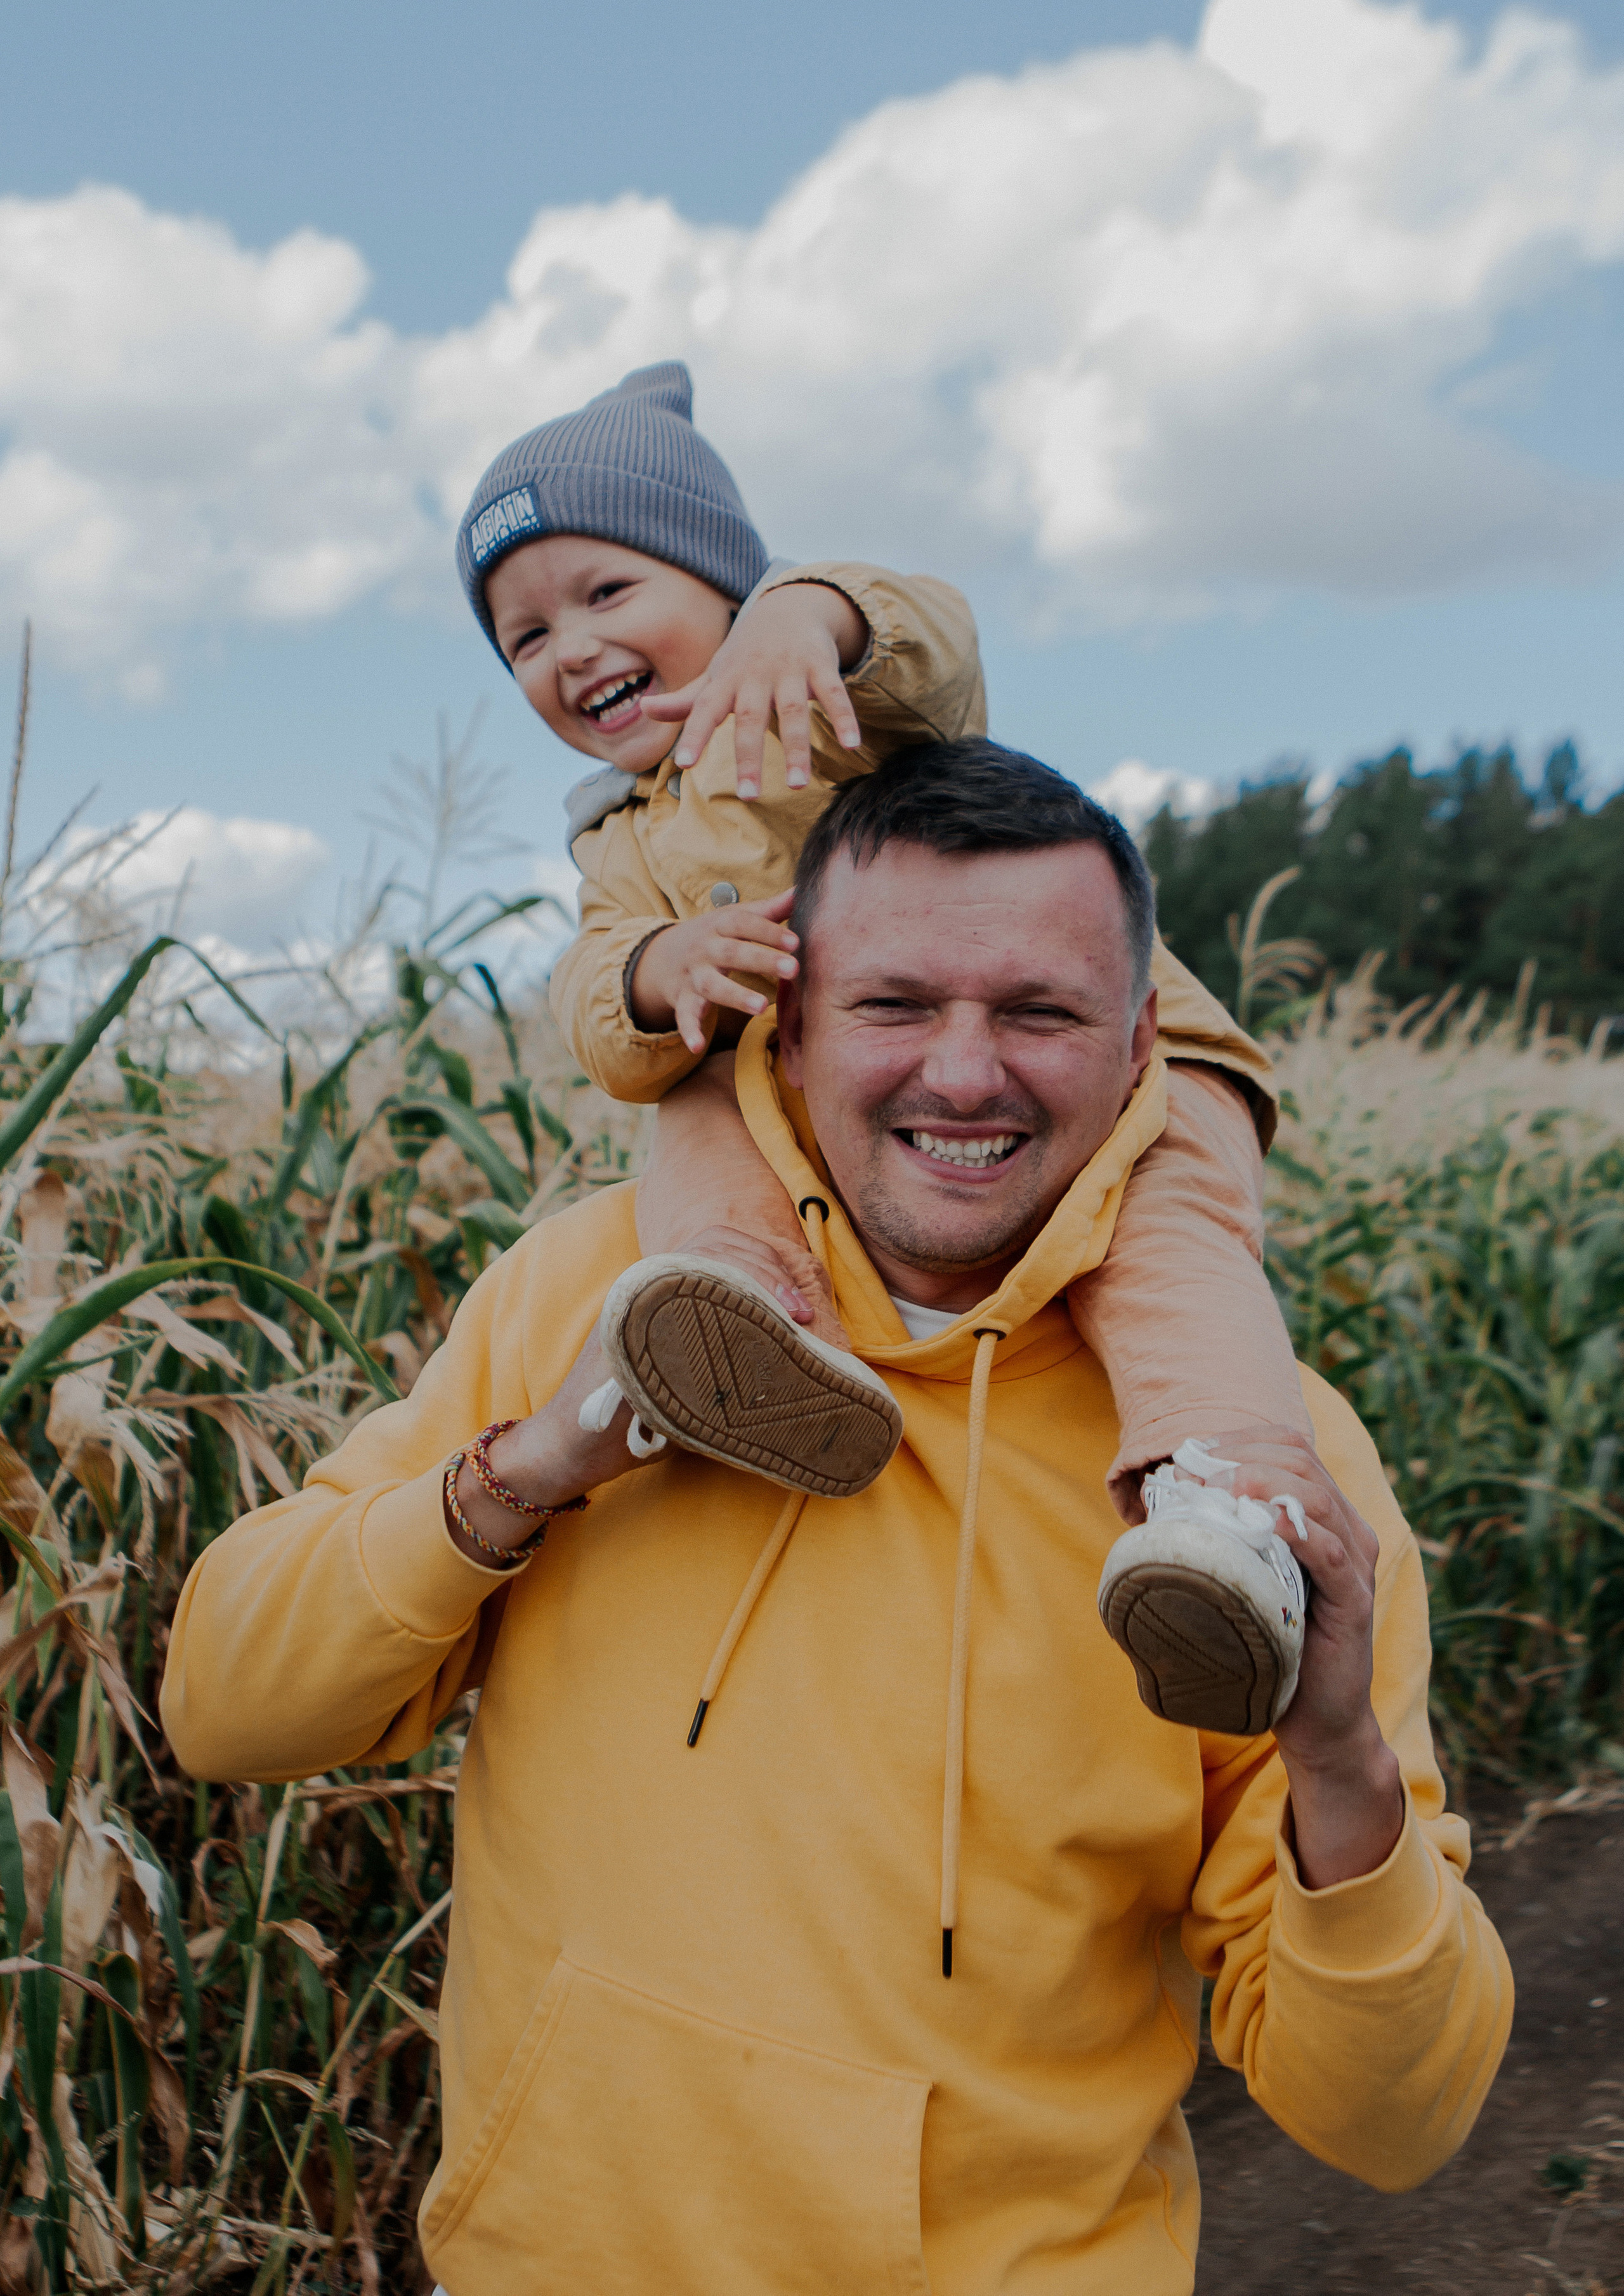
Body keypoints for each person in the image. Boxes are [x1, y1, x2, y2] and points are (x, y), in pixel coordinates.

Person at [161, 741, 1512, 2296]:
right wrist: (526, 1467)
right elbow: (220, 1705)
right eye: (895, 1004)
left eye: (1037, 1012)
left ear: (1141, 1044)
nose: (960, 1072)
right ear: (789, 1026)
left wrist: (1335, 1755)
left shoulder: (1250, 1467)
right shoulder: (587, 1294)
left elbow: (1394, 2121)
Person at [454, 360, 1316, 1737]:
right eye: (521, 635)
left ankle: (1228, 1520)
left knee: (1166, 1254)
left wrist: (812, 615)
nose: (566, 648)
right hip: (824, 1087)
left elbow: (939, 648)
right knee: (689, 1092)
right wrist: (650, 968)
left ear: (723, 585)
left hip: (1108, 1071)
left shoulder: (824, 693)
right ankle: (738, 1319)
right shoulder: (622, 845)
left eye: (607, 594)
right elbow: (595, 1017)